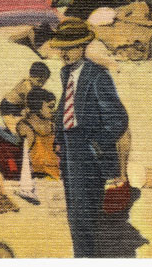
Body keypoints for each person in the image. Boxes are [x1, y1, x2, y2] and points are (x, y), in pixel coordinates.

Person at [48, 19, 130, 258]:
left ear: (83, 46)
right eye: (61, 48)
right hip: (69, 149)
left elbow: (118, 119)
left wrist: (96, 144)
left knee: (84, 216)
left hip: (87, 152)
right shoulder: (66, 72)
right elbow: (67, 105)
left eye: (70, 47)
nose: (64, 53)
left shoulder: (97, 76)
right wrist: (59, 136)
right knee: (74, 213)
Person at [16, 87, 61, 179]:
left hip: (57, 176)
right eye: (50, 106)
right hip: (38, 178)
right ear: (37, 106)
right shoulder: (25, 128)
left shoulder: (53, 126)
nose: (53, 110)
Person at [0, 62, 52, 133]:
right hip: (8, 107)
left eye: (43, 82)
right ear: (31, 76)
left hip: (17, 106)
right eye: (39, 81)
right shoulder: (27, 87)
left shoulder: (30, 83)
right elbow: (29, 105)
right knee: (20, 127)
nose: (41, 84)